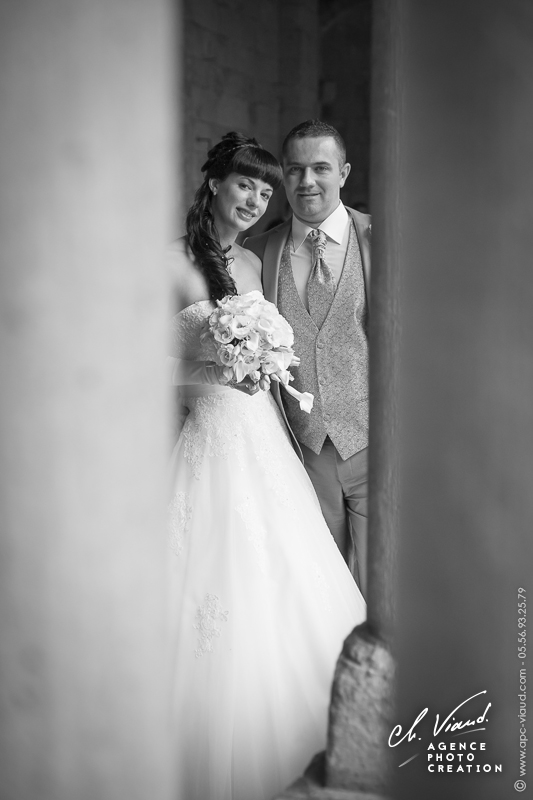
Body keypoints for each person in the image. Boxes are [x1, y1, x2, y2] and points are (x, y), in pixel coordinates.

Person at [166, 131, 366, 800]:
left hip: (265, 438)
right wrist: (211, 366)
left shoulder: (254, 264)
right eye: (244, 183)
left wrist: (262, 361)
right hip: (207, 437)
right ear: (214, 185)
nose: (255, 197)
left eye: (264, 188)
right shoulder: (165, 263)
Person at [244, 120, 371, 597]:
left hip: (376, 447)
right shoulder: (256, 252)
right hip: (302, 453)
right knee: (322, 592)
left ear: (344, 173)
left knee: (385, 586)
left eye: (320, 167)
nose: (306, 181)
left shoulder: (385, 241)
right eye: (294, 169)